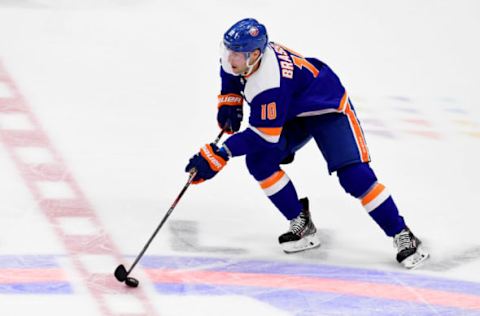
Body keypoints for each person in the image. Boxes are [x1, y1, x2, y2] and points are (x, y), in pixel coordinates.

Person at [185, 18, 429, 269]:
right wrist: (230, 101)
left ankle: (402, 234)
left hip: (327, 108)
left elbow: (264, 135)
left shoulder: (270, 83)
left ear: (255, 55)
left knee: (355, 177)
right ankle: (301, 224)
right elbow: (230, 76)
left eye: (236, 53)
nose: (229, 58)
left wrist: (221, 153)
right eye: (228, 50)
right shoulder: (242, 61)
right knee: (260, 162)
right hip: (291, 110)